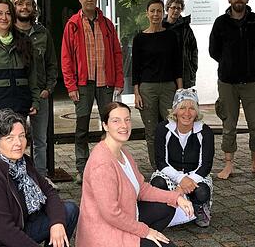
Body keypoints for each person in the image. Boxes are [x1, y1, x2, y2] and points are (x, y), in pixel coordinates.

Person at [76, 102, 194, 247]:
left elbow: (142, 188)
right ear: (105, 125)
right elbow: (111, 214)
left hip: (127, 216)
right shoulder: (102, 164)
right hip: (105, 233)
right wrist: (145, 231)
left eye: (127, 119)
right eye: (116, 120)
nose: (124, 125)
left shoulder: (123, 152)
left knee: (169, 206)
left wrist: (176, 197)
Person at [0, 109, 78, 247]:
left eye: (22, 136)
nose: (19, 143)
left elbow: (49, 192)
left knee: (69, 211)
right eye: (10, 138)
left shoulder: (22, 162)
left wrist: (57, 223)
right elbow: (6, 232)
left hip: (19, 226)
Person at [61, 0, 124, 184]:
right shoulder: (72, 24)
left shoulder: (106, 24)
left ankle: (110, 165)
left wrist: (119, 80)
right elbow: (66, 57)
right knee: (82, 127)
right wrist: (70, 85)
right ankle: (82, 168)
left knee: (110, 126)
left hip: (105, 82)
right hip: (82, 84)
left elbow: (116, 53)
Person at [209, 0, 255, 178]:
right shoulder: (220, 23)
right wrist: (229, 64)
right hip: (227, 83)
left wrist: (249, 65)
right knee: (228, 125)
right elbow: (214, 51)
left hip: (252, 82)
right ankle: (229, 165)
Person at [150, 88, 214, 228]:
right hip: (171, 173)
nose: (187, 113)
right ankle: (162, 209)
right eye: (182, 108)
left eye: (192, 108)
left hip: (195, 175)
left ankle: (199, 206)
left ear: (197, 111)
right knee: (158, 183)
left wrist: (185, 184)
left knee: (202, 192)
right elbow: (161, 161)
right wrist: (180, 179)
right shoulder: (163, 128)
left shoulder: (205, 131)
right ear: (175, 111)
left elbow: (206, 165)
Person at [12, 0, 58, 177]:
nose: (24, 7)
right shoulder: (9, 33)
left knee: (41, 140)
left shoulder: (42, 33)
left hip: (40, 94)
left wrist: (48, 88)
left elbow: (52, 63)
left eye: (28, 4)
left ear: (33, 8)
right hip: (18, 95)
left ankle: (41, 178)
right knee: (16, 139)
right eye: (20, 4)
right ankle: (18, 177)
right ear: (14, 6)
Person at [133, 0, 183, 169]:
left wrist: (180, 90)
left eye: (159, 11)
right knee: (151, 131)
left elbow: (178, 64)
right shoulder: (140, 38)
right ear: (147, 13)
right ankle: (158, 167)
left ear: (163, 13)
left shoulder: (171, 36)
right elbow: (136, 68)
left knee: (174, 126)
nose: (156, 14)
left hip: (169, 87)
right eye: (152, 11)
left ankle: (174, 165)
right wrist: (137, 92)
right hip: (147, 88)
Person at [163, 0, 199, 89]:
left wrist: (193, 68)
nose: (176, 11)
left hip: (184, 71)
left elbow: (194, 49)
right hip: (165, 71)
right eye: (173, 7)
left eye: (179, 8)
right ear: (168, 8)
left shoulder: (186, 28)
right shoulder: (161, 26)